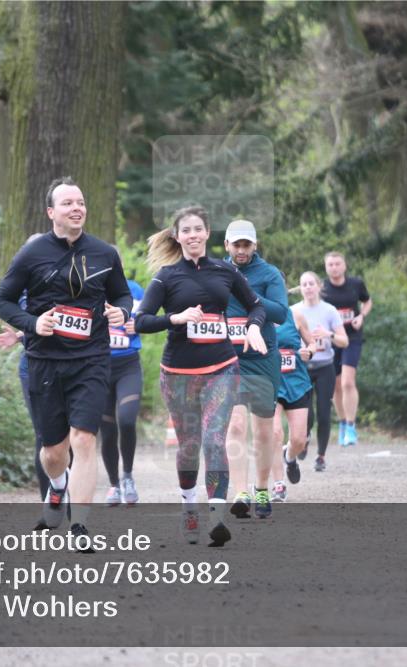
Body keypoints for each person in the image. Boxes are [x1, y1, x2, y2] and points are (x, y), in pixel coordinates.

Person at [0, 177, 133, 548]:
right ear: (51, 212)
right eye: (68, 203)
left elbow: (120, 293)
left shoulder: (105, 253)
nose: (77, 208)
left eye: (81, 202)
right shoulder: (32, 253)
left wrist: (121, 310)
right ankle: (57, 487)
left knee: (84, 439)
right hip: (45, 360)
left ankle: (80, 525)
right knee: (54, 451)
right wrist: (32, 323)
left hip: (91, 359)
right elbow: (2, 301)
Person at [134, 206, 267, 547]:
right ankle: (189, 504)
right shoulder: (166, 277)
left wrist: (253, 327)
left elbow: (256, 305)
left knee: (213, 441)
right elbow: (142, 321)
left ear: (208, 233)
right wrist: (175, 319)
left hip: (221, 368)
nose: (192, 235)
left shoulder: (225, 272)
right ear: (177, 237)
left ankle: (217, 516)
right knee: (190, 446)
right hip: (177, 374)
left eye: (198, 229)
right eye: (186, 230)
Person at [222, 219, 287, 520]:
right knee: (235, 425)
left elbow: (281, 313)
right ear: (227, 246)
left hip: (262, 358)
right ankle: (240, 492)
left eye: (246, 244)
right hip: (227, 358)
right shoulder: (217, 272)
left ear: (255, 245)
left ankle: (261, 487)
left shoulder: (269, 274)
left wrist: (249, 295)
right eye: (236, 244)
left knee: (263, 432)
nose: (241, 250)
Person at [0, 234, 46, 502]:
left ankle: (67, 488)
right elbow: (36, 323)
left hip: (74, 364)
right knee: (44, 433)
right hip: (33, 366)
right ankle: (50, 499)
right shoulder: (20, 286)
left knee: (73, 434)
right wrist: (21, 335)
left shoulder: (68, 282)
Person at [293, 271, 348, 472]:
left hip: (325, 367)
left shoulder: (329, 311)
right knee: (306, 414)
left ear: (318, 286)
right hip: (302, 368)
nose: (307, 287)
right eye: (304, 284)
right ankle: (304, 439)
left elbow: (345, 341)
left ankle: (321, 456)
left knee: (324, 413)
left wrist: (328, 334)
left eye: (311, 283)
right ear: (300, 288)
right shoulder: (294, 310)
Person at [102, 269, 145, 506]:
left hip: (128, 365)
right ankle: (114, 485)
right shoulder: (91, 290)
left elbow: (147, 316)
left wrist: (138, 324)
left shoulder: (134, 289)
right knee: (107, 431)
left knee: (127, 420)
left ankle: (127, 476)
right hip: (98, 368)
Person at [321, 251, 372, 446]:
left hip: (351, 337)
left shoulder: (356, 284)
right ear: (326, 268)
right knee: (335, 385)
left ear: (344, 266)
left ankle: (351, 426)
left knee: (348, 382)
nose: (334, 267)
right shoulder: (322, 288)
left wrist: (362, 316)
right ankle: (342, 422)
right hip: (330, 340)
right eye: (330, 264)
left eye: (337, 263)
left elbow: (367, 301)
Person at [268, 301, 314, 501]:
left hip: (296, 383)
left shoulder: (295, 316)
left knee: (299, 440)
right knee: (275, 433)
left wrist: (309, 351)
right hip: (270, 383)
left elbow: (312, 343)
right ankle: (279, 485)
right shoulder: (258, 316)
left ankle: (290, 457)